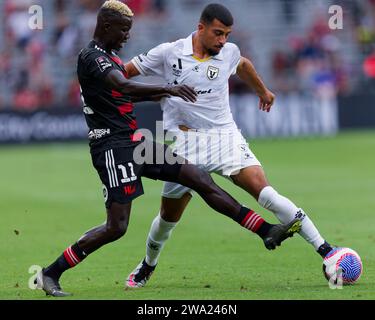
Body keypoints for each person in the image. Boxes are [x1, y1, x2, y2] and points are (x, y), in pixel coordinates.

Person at [35, 0, 301, 297]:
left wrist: (161, 92)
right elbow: (123, 87)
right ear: (106, 26)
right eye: (123, 30)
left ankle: (265, 231)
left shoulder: (109, 56)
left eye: (129, 31)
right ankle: (50, 273)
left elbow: (118, 95)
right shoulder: (93, 57)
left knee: (197, 178)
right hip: (112, 147)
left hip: (135, 142)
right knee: (117, 227)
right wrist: (168, 89)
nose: (127, 37)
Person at [124, 3, 334, 288]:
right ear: (200, 28)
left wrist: (263, 91)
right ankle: (148, 264)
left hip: (225, 137)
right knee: (167, 218)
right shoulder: (168, 52)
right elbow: (124, 73)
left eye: (227, 34)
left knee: (267, 193)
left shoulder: (229, 53)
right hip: (183, 145)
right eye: (218, 33)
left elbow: (244, 65)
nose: (223, 40)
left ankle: (327, 251)